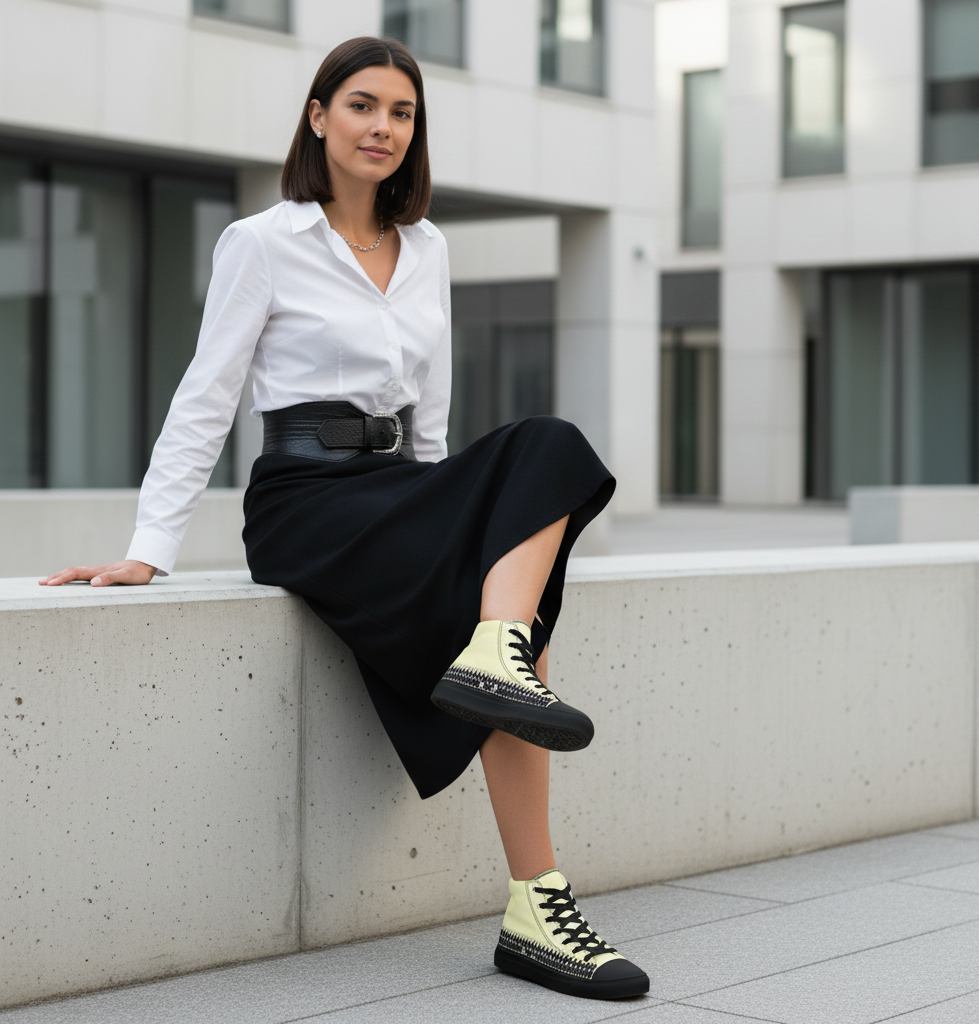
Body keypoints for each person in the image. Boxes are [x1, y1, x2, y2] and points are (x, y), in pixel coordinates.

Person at [40, 36, 649, 1001]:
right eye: (363, 105)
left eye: (402, 114)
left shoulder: (429, 245)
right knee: (515, 646)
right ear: (319, 116)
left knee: (551, 448)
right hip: (306, 499)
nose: (382, 128)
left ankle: (529, 866)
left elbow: (435, 417)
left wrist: (458, 520)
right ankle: (535, 886)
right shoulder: (263, 241)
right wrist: (147, 552)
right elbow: (206, 397)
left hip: (401, 480)